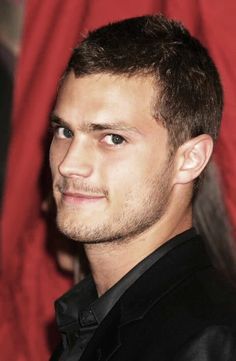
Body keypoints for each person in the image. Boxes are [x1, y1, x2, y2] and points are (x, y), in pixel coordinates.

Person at [49, 14, 236, 361]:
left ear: (190, 159)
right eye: (64, 131)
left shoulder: (211, 340)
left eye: (113, 138)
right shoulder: (90, 316)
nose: (68, 164)